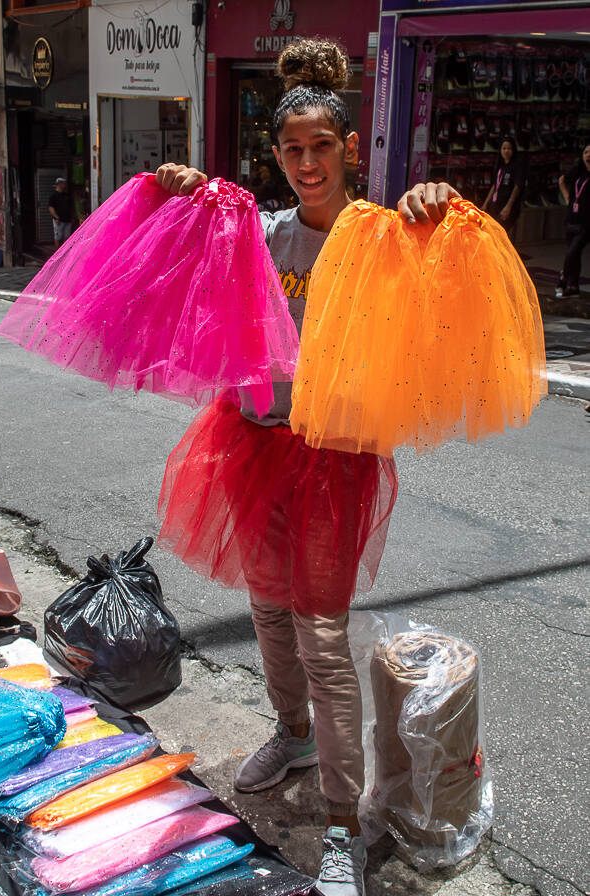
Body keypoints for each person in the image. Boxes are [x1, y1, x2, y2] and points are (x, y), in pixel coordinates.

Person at [155, 38, 461, 896]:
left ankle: (341, 821)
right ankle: (288, 731)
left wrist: (433, 217)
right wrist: (182, 196)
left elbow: (438, 300)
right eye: (291, 150)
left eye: (321, 146)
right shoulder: (264, 233)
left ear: (349, 148)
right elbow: (191, 265)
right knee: (265, 610)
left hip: (332, 461)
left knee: (323, 637)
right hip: (254, 446)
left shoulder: (380, 239)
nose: (305, 163)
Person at [557, 142, 590, 298]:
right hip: (571, 219)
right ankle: (573, 285)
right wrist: (567, 197)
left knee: (572, 252)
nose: (588, 155)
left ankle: (563, 277)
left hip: (586, 223)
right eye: (586, 152)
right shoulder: (578, 171)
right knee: (574, 255)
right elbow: (562, 180)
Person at [481, 137, 526, 243]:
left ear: (513, 150)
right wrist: (485, 204)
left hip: (508, 205)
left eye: (509, 148)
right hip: (496, 204)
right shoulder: (500, 166)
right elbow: (494, 186)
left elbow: (517, 186)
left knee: (500, 233)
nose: (506, 151)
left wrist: (508, 207)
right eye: (504, 148)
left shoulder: (517, 166)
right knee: (491, 232)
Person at [48, 177, 74, 249]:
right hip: (59, 220)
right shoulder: (53, 196)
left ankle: (65, 252)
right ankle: (57, 252)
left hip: (67, 219)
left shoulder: (66, 195)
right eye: (63, 183)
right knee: (58, 237)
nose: (64, 185)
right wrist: (56, 217)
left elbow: (70, 207)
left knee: (67, 237)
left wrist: (71, 217)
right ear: (59, 184)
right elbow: (50, 207)